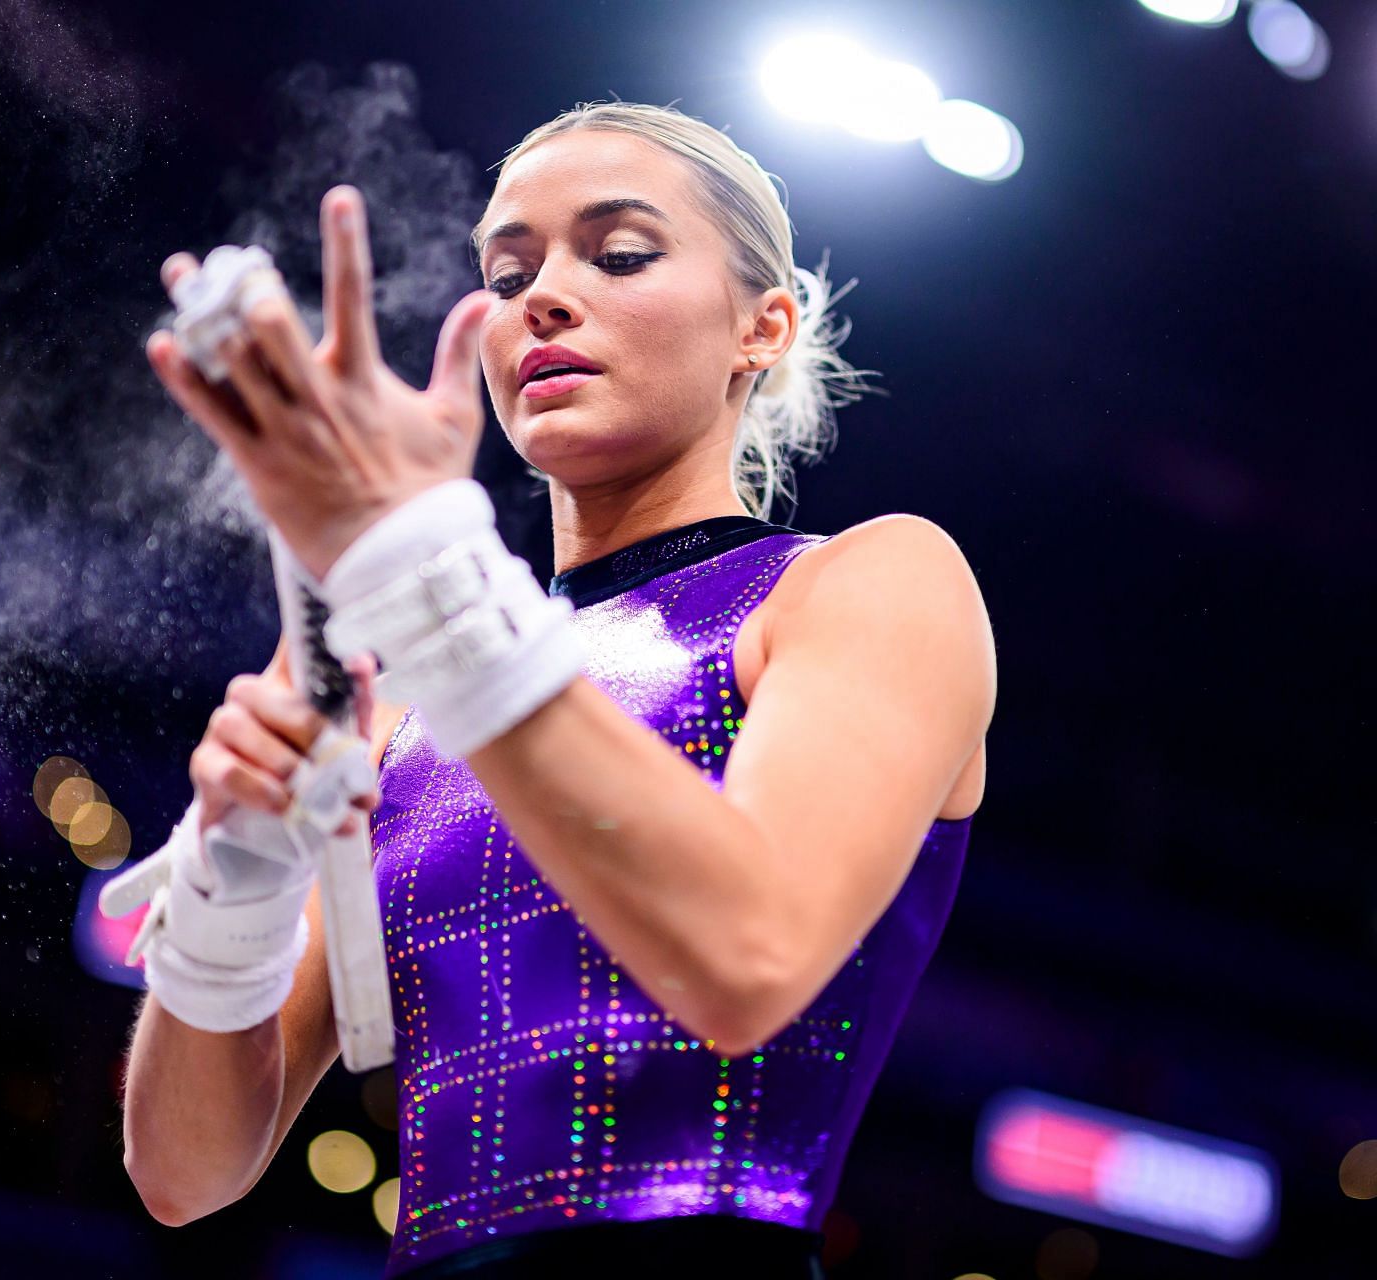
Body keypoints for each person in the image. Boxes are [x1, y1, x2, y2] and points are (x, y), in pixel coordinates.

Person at [114, 100, 997, 1278]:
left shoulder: (869, 584)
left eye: (620, 253)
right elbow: (184, 1171)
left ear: (762, 325)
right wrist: (238, 875)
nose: (544, 296)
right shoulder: (395, 700)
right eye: (508, 268)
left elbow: (747, 959)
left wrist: (432, 580)